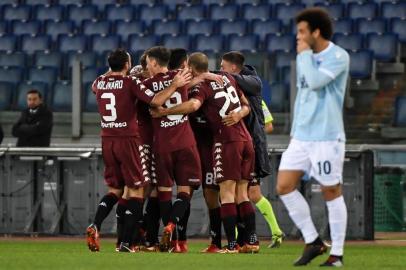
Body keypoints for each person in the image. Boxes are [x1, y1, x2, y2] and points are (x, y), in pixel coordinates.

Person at [151, 52, 258, 254]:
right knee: (242, 194)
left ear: (190, 67)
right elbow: (246, 105)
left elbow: (193, 105)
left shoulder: (203, 86)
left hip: (226, 141)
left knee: (226, 194)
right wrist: (238, 114)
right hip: (246, 140)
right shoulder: (227, 78)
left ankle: (232, 245)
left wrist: (164, 112)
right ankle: (251, 241)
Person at [86, 48, 191, 252]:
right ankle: (127, 243)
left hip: (107, 140)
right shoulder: (131, 82)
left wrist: (113, 70)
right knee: (136, 190)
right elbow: (155, 101)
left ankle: (96, 224)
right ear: (127, 65)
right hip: (130, 141)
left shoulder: (99, 82)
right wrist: (174, 85)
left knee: (116, 190)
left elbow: (96, 84)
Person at [276, 8, 349, 267]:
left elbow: (316, 82)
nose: (298, 37)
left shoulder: (338, 56)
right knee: (284, 185)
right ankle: (314, 241)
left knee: (330, 190)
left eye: (302, 32)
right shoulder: (306, 57)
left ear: (316, 32)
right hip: (302, 136)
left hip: (326, 137)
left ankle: (337, 255)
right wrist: (296, 130)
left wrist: (304, 55)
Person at [220, 51, 284, 248]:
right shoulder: (233, 94)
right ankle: (245, 239)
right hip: (241, 145)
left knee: (248, 193)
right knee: (242, 193)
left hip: (249, 146)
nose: (221, 70)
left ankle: (271, 233)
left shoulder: (254, 95)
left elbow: (269, 124)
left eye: (223, 67)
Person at [142, 46, 202, 253]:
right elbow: (199, 77)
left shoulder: (148, 84)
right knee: (185, 192)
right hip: (185, 142)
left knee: (164, 193)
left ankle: (168, 241)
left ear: (156, 63)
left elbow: (154, 102)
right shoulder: (181, 75)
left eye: (149, 62)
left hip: (162, 146)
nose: (147, 66)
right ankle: (172, 230)